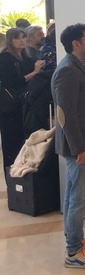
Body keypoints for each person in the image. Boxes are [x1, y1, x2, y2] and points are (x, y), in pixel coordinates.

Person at [52, 24, 85, 269]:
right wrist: (78, 148)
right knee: (79, 198)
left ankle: (76, 241)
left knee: (76, 195)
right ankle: (73, 251)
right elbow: (65, 115)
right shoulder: (67, 71)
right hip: (80, 148)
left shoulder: (81, 66)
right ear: (76, 44)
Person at [0, 28, 45, 170]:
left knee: (23, 142)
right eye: (18, 38)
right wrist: (35, 72)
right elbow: (13, 81)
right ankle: (11, 176)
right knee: (12, 144)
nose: (22, 41)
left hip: (24, 105)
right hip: (10, 107)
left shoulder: (25, 56)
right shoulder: (6, 58)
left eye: (23, 38)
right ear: (10, 40)